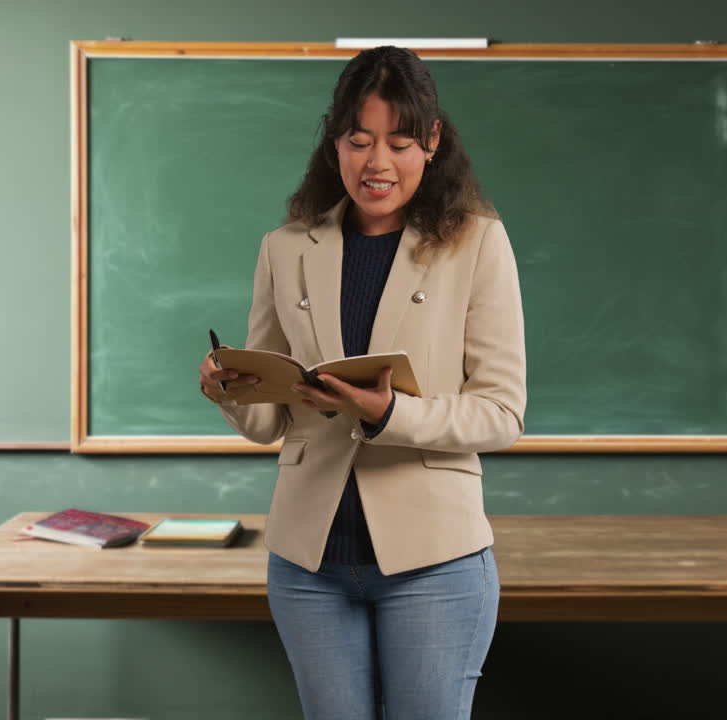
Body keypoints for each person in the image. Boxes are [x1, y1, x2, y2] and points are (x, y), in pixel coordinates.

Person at [198, 45, 526, 720]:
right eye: (358, 141)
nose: (377, 163)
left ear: (432, 142)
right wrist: (230, 388)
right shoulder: (285, 247)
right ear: (334, 143)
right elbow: (267, 422)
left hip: (435, 562)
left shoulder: (476, 243)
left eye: (399, 143)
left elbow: (500, 413)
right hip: (308, 564)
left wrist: (387, 413)